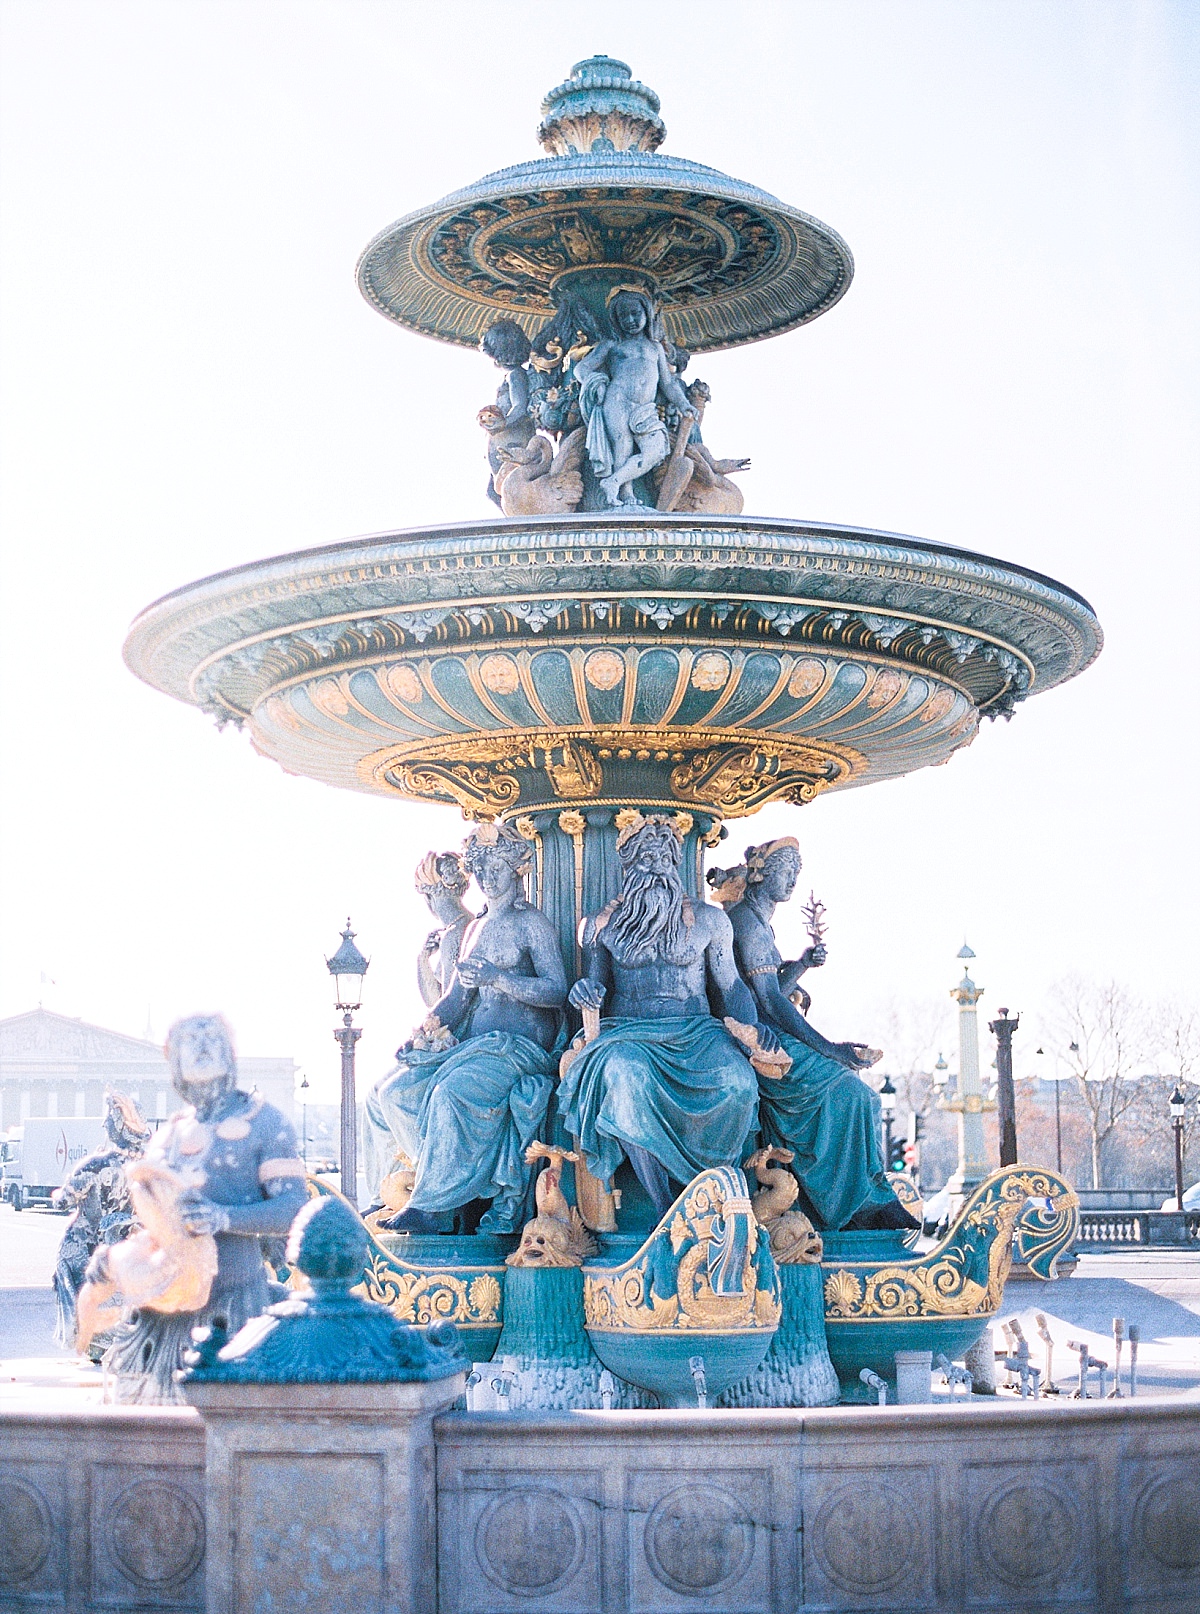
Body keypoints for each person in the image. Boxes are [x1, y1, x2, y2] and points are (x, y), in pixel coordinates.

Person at [560, 811, 782, 1218]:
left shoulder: (711, 921)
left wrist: (752, 1029)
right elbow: (594, 983)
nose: (657, 868)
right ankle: (666, 1209)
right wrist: (584, 991)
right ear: (627, 866)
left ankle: (715, 1195)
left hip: (697, 1033)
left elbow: (731, 986)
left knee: (737, 1083)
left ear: (677, 865)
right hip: (628, 1033)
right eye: (646, 859)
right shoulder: (600, 927)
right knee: (625, 1078)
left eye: (665, 859)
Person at [100, 1014, 307, 1402]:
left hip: (234, 1312)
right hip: (163, 1314)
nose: (202, 1047)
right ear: (172, 1060)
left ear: (231, 1055)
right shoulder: (165, 1137)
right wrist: (118, 1261)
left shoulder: (263, 1123)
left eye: (213, 1037)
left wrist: (223, 1217)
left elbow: (295, 1207)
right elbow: (156, 1226)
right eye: (190, 1040)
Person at [374, 822, 566, 1235]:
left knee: (450, 1095)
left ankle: (433, 1206)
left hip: (516, 1050)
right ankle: (448, 1187)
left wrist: (499, 977)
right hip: (473, 1049)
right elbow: (458, 998)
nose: (486, 878)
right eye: (479, 870)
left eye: (495, 867)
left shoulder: (530, 923)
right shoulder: (474, 928)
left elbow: (556, 990)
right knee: (395, 1094)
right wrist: (425, 1029)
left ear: (516, 868)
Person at [723, 838, 920, 1232]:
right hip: (759, 1041)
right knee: (856, 1095)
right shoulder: (746, 922)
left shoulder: (759, 923)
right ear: (761, 874)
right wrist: (829, 1048)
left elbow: (773, 991)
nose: (792, 881)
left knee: (859, 1096)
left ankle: (870, 1196)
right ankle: (856, 1205)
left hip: (770, 1030)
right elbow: (770, 1002)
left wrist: (801, 965)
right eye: (784, 871)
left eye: (796, 873)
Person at [574, 288, 694, 507]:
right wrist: (597, 383)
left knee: (655, 451)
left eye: (635, 313)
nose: (630, 320)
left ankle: (613, 482)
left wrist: (684, 403)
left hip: (646, 407)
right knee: (623, 446)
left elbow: (667, 383)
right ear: (616, 321)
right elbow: (581, 369)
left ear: (646, 314)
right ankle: (624, 494)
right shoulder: (612, 346)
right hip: (617, 400)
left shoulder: (655, 348)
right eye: (623, 316)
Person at [51, 1091, 149, 1352]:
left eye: (107, 1122)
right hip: (120, 1246)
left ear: (115, 1126)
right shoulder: (144, 1167)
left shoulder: (95, 1164)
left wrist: (57, 1194)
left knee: (79, 1288)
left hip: (83, 1245)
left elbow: (63, 1202)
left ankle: (88, 1341)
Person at [478, 319, 536, 506]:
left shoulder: (516, 375)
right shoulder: (512, 375)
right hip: (505, 442)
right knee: (496, 492)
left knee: (507, 492)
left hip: (513, 442)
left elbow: (520, 406)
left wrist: (502, 424)